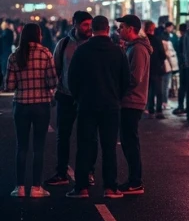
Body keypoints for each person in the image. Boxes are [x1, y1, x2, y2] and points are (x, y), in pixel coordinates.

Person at [66, 16, 130, 199]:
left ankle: (82, 187)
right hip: (110, 106)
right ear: (108, 28)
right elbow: (126, 80)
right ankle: (110, 187)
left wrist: (79, 97)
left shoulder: (82, 50)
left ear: (92, 29)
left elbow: (72, 79)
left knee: (84, 146)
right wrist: (117, 97)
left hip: (86, 105)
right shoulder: (118, 52)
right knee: (109, 147)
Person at [5, 23, 58, 198]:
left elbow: (9, 85)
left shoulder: (14, 56)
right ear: (38, 35)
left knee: (21, 146)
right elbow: (52, 82)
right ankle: (36, 187)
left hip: (21, 105)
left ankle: (19, 187)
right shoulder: (45, 53)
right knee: (39, 147)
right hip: (41, 105)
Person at [45, 11, 94, 187]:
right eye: (85, 25)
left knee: (87, 137)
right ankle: (61, 172)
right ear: (75, 24)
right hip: (65, 96)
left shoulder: (95, 44)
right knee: (63, 136)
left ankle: (89, 171)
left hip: (88, 98)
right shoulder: (63, 44)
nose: (89, 28)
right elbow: (55, 69)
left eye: (90, 24)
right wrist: (53, 91)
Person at [117, 15, 152, 195]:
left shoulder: (138, 50)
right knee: (129, 141)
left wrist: (117, 85)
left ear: (131, 29)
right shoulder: (132, 48)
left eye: (121, 27)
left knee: (130, 141)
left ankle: (135, 181)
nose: (118, 30)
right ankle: (134, 180)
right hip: (130, 100)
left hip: (132, 100)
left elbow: (134, 78)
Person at [143, 20, 167, 119]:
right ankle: (159, 110)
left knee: (149, 90)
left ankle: (150, 107)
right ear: (152, 29)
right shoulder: (157, 40)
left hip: (145, 69)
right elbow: (163, 55)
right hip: (156, 69)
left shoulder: (142, 41)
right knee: (158, 90)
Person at [173, 22, 189, 115]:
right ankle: (184, 106)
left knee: (182, 87)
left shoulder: (181, 39)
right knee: (186, 87)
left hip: (183, 65)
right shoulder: (187, 38)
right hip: (187, 66)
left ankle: (181, 106)